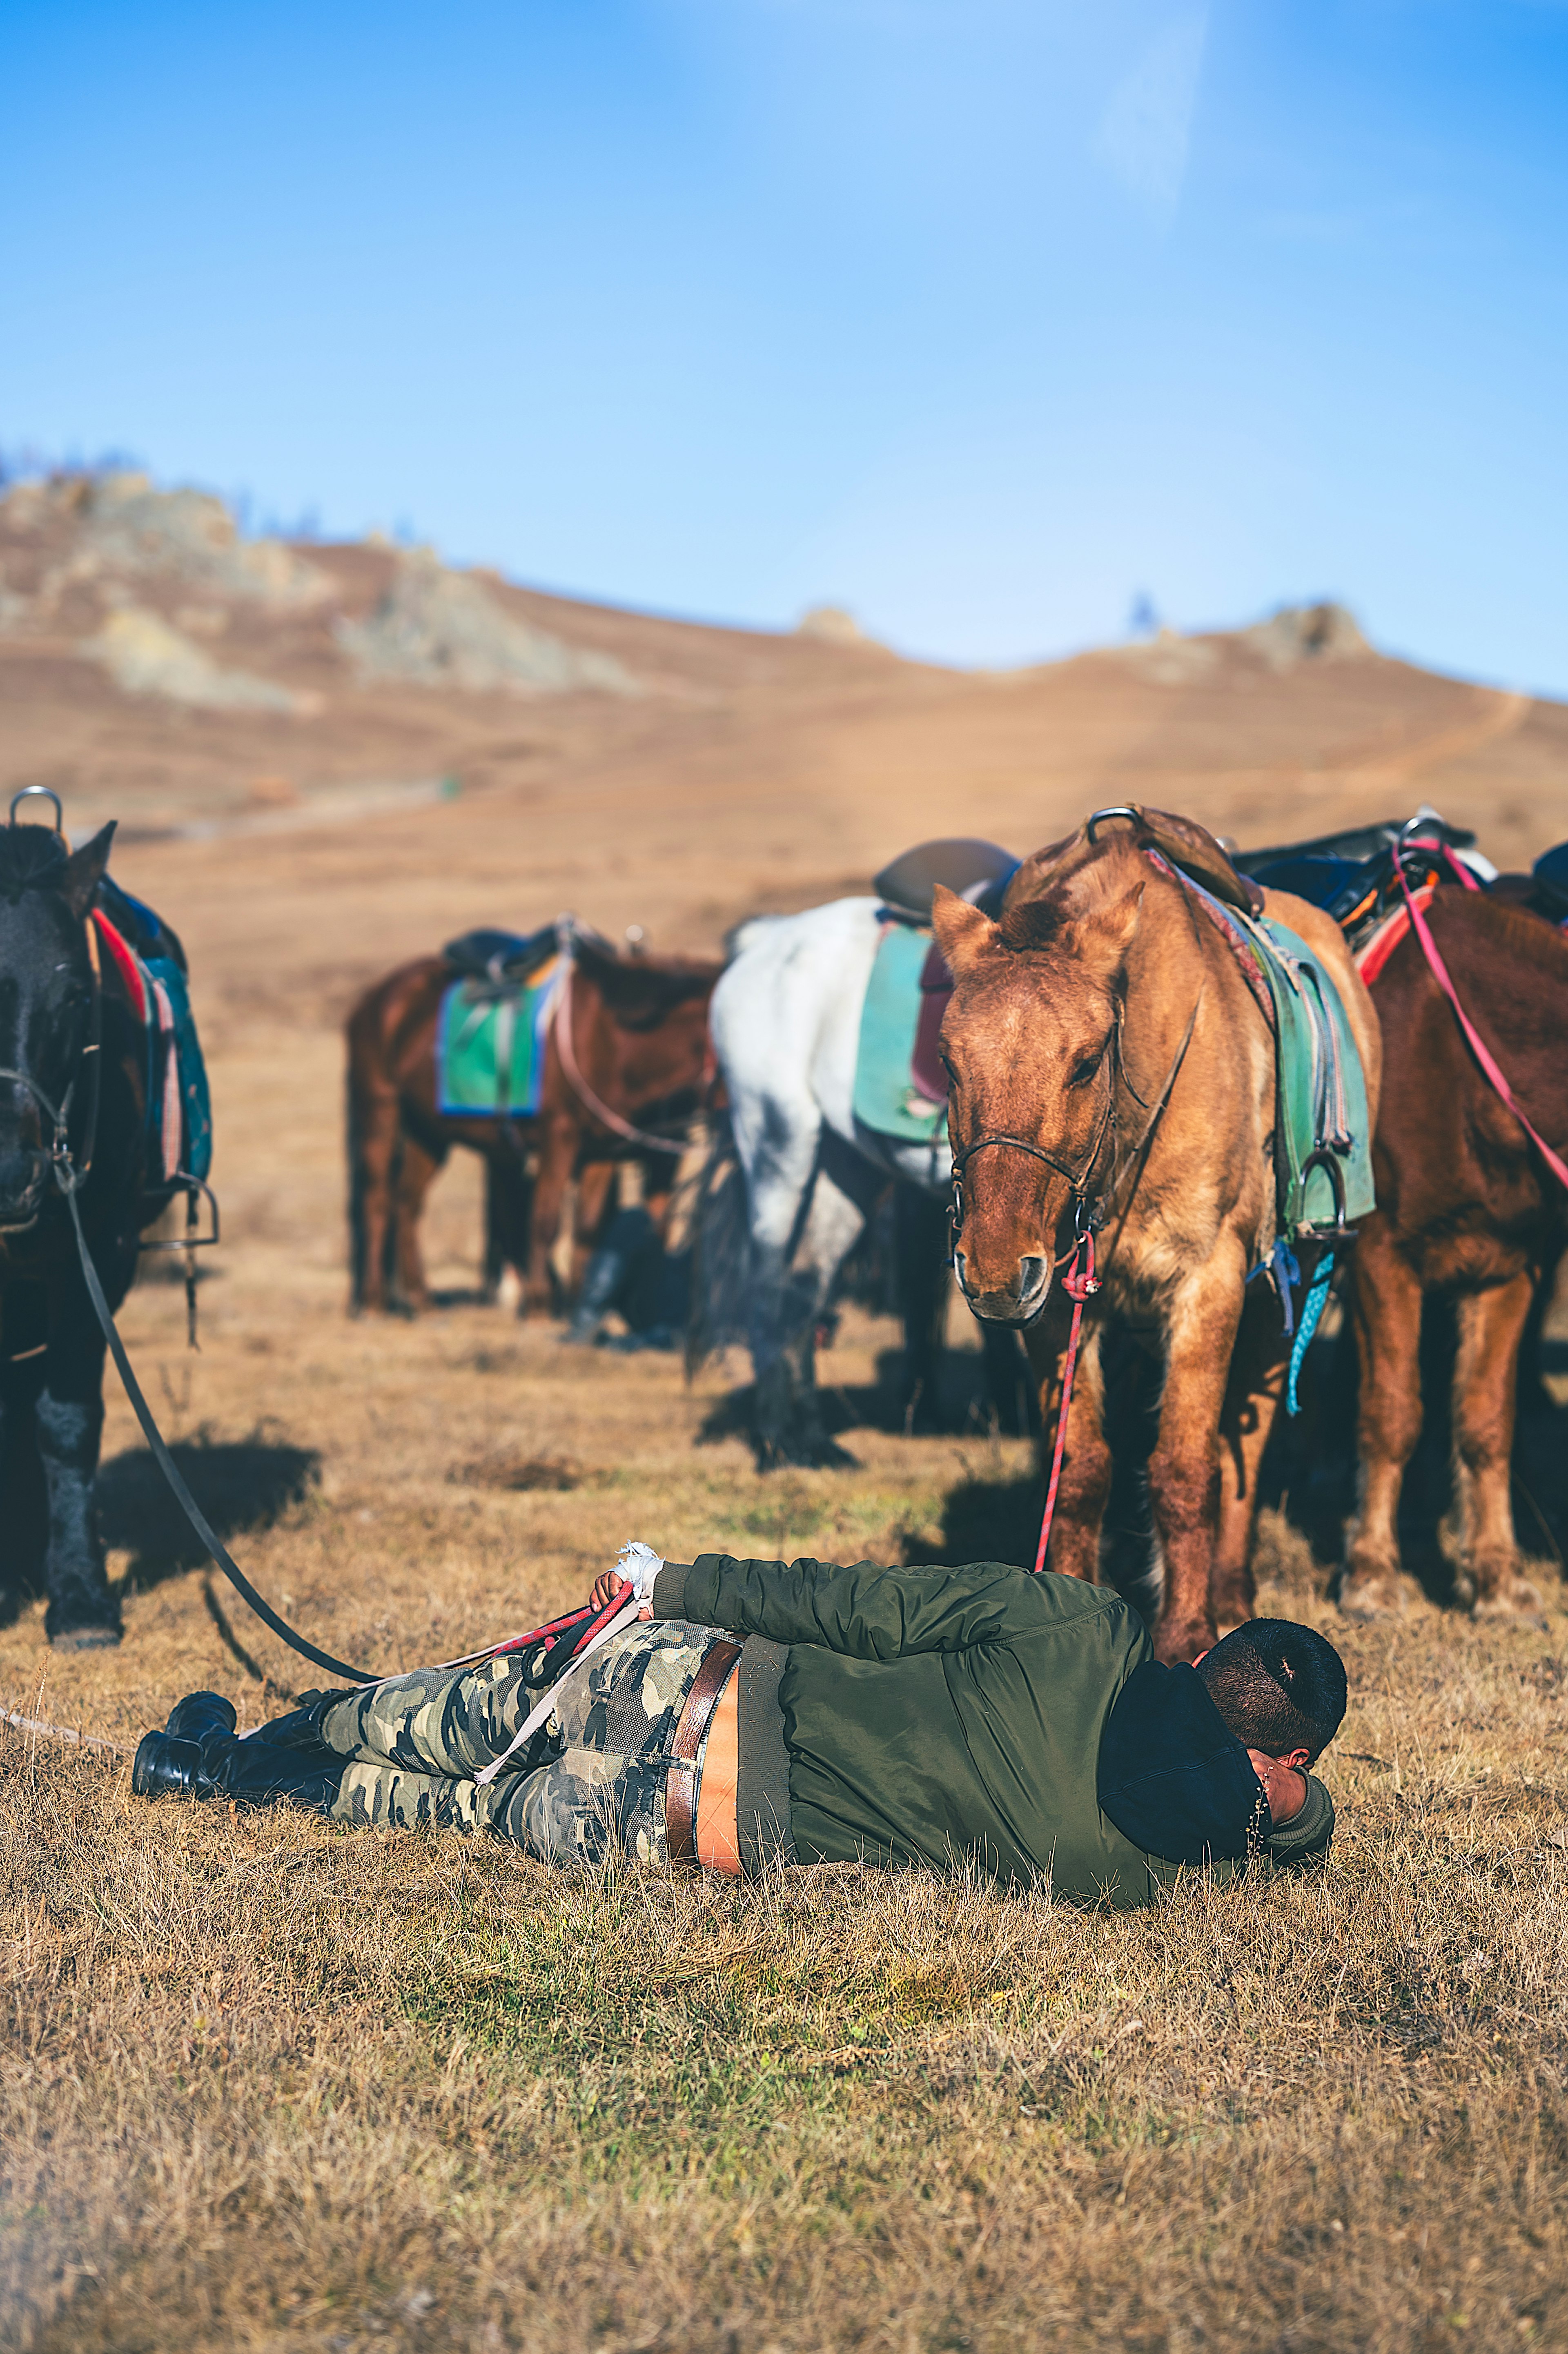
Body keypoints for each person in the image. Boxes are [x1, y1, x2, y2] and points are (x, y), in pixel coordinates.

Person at [133, 1550, 1347, 1907]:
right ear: (1273, 1762)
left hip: (688, 1680)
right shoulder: (1136, 1873)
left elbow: (854, 1607)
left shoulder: (1076, 1623)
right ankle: (200, 1775)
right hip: (677, 1828)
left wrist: (671, 1583)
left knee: (434, 1714)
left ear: (1203, 1652)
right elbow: (1293, 1831)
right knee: (444, 1807)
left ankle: (244, 1741)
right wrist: (1297, 1808)